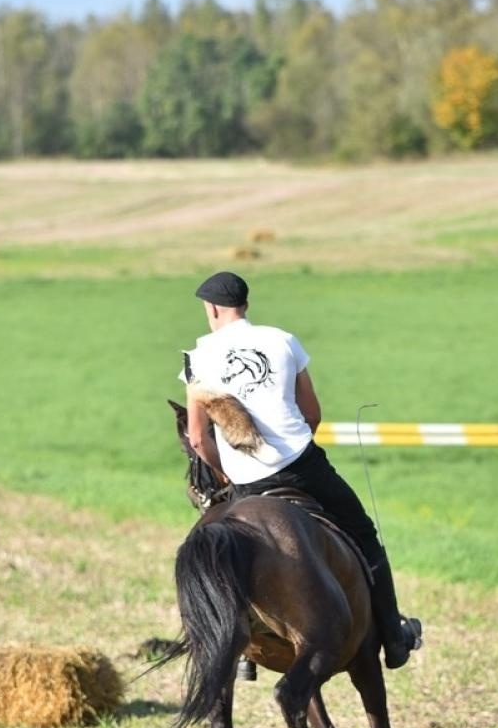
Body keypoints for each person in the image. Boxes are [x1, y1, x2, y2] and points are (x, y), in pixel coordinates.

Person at [180, 271, 421, 668]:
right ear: (245, 305)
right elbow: (312, 413)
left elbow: (198, 438)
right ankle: (394, 639)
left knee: (228, 552)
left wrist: (229, 472)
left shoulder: (196, 360)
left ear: (211, 308)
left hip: (246, 481)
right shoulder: (282, 340)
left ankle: (243, 654)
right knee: (364, 536)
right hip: (302, 465)